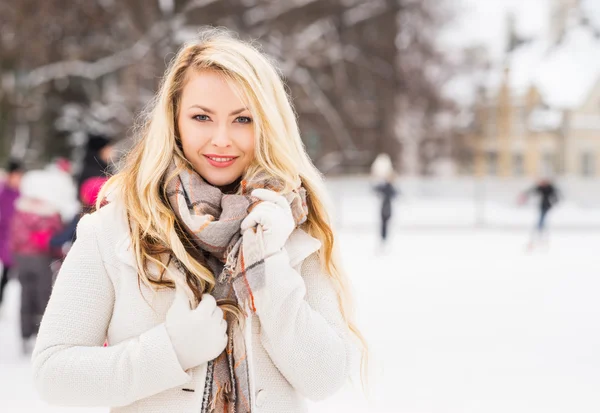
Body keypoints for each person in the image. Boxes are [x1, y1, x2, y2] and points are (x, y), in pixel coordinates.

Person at [33, 28, 364, 413]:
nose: (221, 139)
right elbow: (52, 373)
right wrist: (168, 352)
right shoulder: (116, 228)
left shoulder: (293, 228)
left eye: (242, 119)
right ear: (175, 120)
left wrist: (267, 265)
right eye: (202, 117)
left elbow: (324, 379)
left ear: (268, 124)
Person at [10, 170, 63, 354]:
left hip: (23, 259)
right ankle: (42, 335)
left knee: (26, 295)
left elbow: (14, 237)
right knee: (43, 296)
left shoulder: (20, 211)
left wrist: (15, 255)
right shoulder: (50, 213)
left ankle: (25, 334)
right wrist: (59, 256)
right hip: (42, 259)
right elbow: (56, 237)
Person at [0, 159, 24, 311]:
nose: (19, 179)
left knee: (7, 275)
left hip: (11, 239)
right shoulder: (2, 191)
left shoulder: (20, 193)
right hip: (2, 234)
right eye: (17, 176)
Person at [519, 178, 559, 250]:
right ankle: (540, 230)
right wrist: (525, 194)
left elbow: (555, 195)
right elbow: (532, 190)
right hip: (542, 206)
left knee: (541, 220)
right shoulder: (541, 188)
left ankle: (540, 232)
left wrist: (554, 202)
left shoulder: (549, 188)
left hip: (547, 206)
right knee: (541, 220)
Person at [374, 173, 398, 249]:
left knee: (385, 225)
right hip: (385, 208)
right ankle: (383, 239)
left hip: (387, 208)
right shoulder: (385, 187)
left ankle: (384, 239)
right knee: (384, 225)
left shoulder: (389, 187)